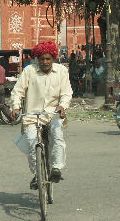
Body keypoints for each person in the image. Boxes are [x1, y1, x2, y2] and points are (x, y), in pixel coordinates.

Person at [10, 41, 72, 191]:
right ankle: (37, 174)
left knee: (57, 135)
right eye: (42, 59)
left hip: (53, 114)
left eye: (48, 59)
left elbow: (66, 93)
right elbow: (18, 91)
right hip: (32, 115)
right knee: (32, 144)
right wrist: (16, 107)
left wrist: (62, 106)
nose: (45, 62)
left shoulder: (62, 71)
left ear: (53, 58)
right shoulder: (29, 71)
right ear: (37, 59)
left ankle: (56, 168)